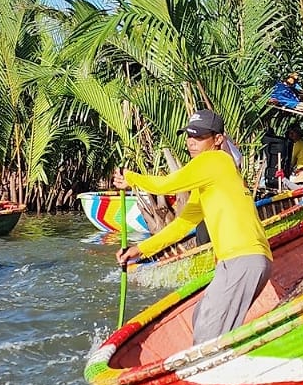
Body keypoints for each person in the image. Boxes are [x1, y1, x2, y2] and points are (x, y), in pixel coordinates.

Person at [117, 110, 273, 347]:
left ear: (218, 139)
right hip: (234, 261)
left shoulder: (215, 161)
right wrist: (141, 249)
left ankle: (213, 379)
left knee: (209, 334)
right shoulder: (209, 177)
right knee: (201, 316)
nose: (191, 142)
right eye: (189, 136)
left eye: (199, 137)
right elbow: (183, 224)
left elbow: (166, 185)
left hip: (244, 258)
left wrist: (132, 178)